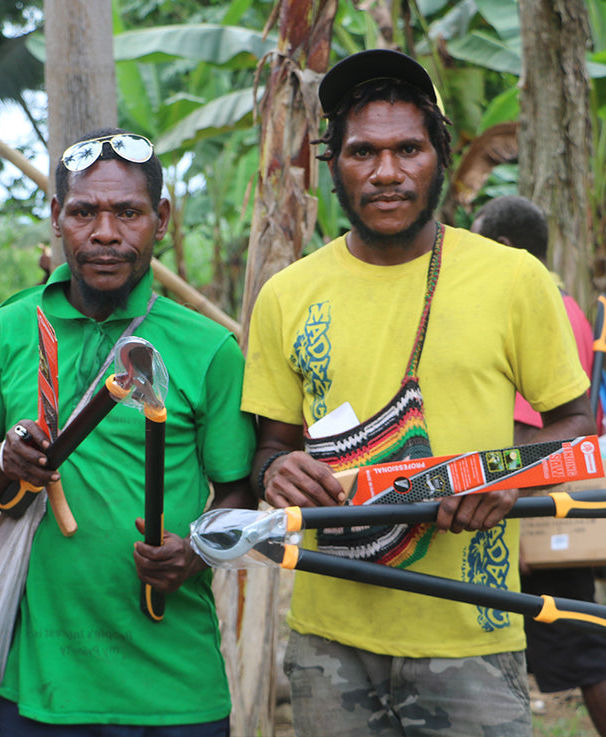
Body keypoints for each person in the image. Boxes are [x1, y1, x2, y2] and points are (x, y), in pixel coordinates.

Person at [241, 49, 596, 736]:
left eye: (408, 148)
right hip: (330, 638)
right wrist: (278, 470)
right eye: (362, 151)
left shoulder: (512, 278)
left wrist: (505, 476)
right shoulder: (287, 295)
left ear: (439, 153)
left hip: (470, 626)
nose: (386, 172)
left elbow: (575, 420)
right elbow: (269, 450)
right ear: (333, 163)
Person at [0, 127, 256, 735]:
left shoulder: (209, 348)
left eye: (128, 212)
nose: (106, 233)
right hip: (45, 689)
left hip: (177, 689)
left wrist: (194, 553)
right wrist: (6, 463)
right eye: (85, 212)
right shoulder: (7, 332)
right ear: (58, 216)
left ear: (161, 218)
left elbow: (241, 493)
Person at [472, 194, 606, 736]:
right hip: (539, 500)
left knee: (582, 646)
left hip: (530, 503)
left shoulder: (531, 303)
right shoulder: (566, 301)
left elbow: (529, 432)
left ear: (504, 248)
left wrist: (521, 522)